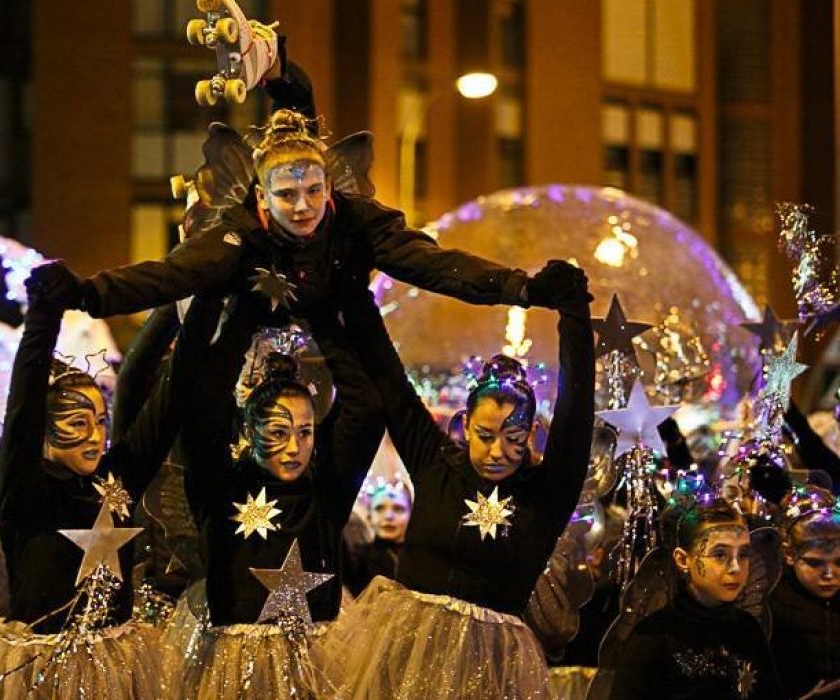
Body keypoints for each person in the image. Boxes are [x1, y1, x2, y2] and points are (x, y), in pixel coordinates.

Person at [27, 108, 571, 331]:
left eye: (314, 190)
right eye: (287, 195)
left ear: (330, 186)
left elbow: (433, 264)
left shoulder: (359, 221)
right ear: (261, 198)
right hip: (240, 323)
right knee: (188, 375)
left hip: (338, 320)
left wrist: (522, 288)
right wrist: (82, 293)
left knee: (378, 395)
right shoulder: (235, 235)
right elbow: (167, 277)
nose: (304, 205)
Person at [314, 266, 593, 699]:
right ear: (464, 426)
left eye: (513, 438)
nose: (497, 452)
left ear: (532, 434)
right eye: (485, 436)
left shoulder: (545, 493)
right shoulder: (436, 464)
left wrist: (573, 313)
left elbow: (576, 419)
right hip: (403, 668)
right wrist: (353, 291)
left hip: (493, 678)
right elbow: (390, 380)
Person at [0, 267, 225, 698]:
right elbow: (25, 396)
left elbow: (169, 401)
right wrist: (45, 312)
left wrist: (200, 299)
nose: (95, 436)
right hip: (41, 675)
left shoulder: (114, 480)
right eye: (77, 424)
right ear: (43, 431)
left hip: (116, 671)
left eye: (100, 422)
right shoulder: (26, 488)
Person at [167, 296, 384, 698]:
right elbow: (201, 411)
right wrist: (242, 320)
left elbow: (367, 406)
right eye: (278, 433)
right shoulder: (221, 488)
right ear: (249, 433)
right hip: (235, 676)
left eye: (304, 432)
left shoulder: (327, 491)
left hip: (315, 672)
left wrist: (324, 309)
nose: (294, 448)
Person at [607, 494, 784, 700]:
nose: (736, 568)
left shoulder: (748, 630)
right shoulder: (654, 637)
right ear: (683, 559)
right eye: (720, 555)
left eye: (743, 554)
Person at [769, 487, 840, 698]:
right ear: (789, 554)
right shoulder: (771, 607)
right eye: (815, 563)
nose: (829, 574)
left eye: (839, 562)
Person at [344, 475, 412, 596]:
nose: (388, 516)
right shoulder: (358, 559)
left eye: (398, 509)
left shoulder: (422, 558)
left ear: (411, 516)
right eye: (379, 509)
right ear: (370, 517)